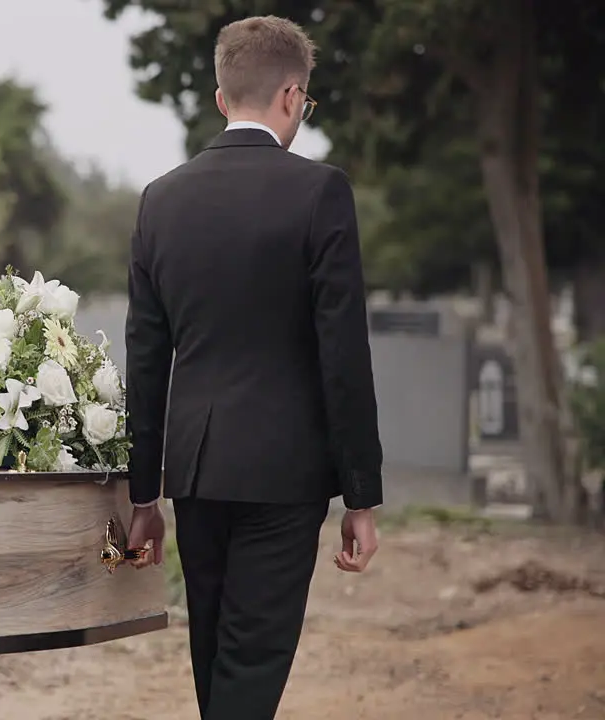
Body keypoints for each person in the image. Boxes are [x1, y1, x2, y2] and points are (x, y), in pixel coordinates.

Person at [124, 16, 383, 720]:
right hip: (284, 469)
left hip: (197, 470)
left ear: (220, 97)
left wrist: (142, 495)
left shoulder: (161, 199)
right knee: (253, 656)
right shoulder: (320, 192)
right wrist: (361, 494)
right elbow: (343, 352)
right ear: (293, 97)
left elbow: (145, 358)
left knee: (213, 651)